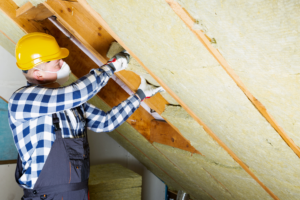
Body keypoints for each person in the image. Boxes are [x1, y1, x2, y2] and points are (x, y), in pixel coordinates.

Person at [8, 32, 164, 200]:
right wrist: (111, 67)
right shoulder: (22, 100)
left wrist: (139, 96)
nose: (63, 64)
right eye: (56, 63)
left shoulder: (70, 102)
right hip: (48, 196)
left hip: (79, 192)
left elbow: (105, 122)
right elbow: (77, 93)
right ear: (38, 74)